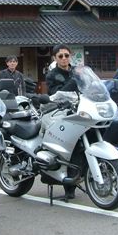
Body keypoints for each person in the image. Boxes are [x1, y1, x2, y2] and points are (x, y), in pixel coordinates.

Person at [44, 44, 79, 199]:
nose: (64, 58)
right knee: (68, 148)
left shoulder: (77, 71)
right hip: (61, 113)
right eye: (60, 56)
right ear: (55, 58)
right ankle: (69, 187)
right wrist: (73, 82)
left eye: (66, 55)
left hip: (81, 110)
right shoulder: (52, 75)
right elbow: (55, 95)